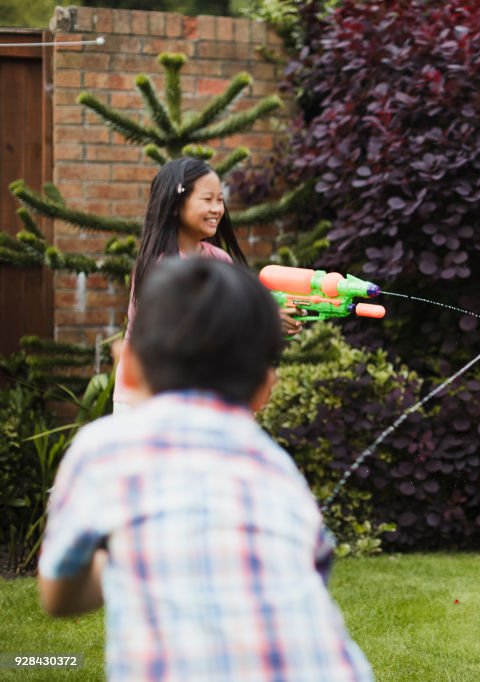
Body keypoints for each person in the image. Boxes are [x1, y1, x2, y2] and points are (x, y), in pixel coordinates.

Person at [37, 258, 373, 682]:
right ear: (264, 389)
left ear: (131, 367)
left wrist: (121, 559)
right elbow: (311, 566)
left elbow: (57, 594)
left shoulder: (103, 450)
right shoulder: (274, 465)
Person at [112, 157, 301, 411]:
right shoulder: (160, 267)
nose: (217, 209)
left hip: (198, 394)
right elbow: (189, 330)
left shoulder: (219, 259)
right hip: (147, 396)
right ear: (176, 204)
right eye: (207, 199)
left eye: (220, 200)